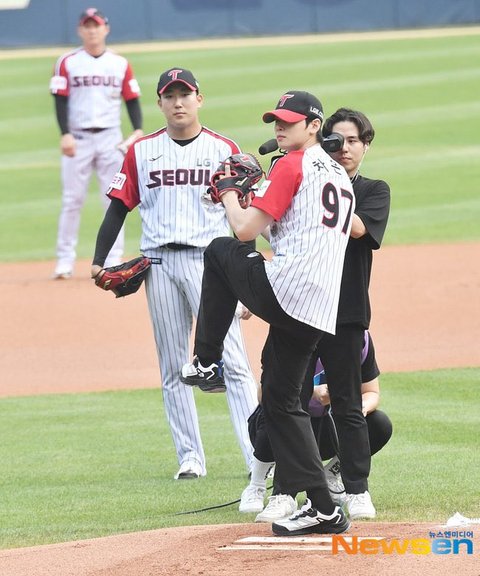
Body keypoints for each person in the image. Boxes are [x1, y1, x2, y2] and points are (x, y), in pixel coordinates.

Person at [181, 90, 354, 536]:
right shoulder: (337, 172)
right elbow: (288, 220)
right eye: (276, 121)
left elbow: (243, 231)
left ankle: (204, 360)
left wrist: (228, 194)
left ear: (313, 126)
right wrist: (244, 192)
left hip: (290, 290)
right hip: (318, 306)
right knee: (280, 400)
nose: (280, 127)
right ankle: (324, 508)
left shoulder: (291, 164)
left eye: (290, 121)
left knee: (220, 251)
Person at [91, 67, 257, 480]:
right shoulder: (141, 151)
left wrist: (248, 277)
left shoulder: (224, 148)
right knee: (172, 365)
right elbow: (118, 207)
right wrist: (98, 260)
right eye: (170, 95)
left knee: (233, 363)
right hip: (159, 265)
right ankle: (190, 458)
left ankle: (258, 455)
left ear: (199, 98)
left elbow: (245, 218)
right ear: (160, 103)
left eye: (185, 94)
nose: (178, 102)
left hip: (212, 264)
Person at [308, 108, 391, 520]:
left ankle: (356, 490)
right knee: (285, 399)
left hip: (347, 309)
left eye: (353, 141)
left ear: (365, 145)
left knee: (347, 402)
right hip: (302, 305)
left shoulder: (374, 190)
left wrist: (324, 187)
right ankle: (285, 488)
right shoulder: (307, 181)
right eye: (335, 140)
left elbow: (360, 230)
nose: (344, 149)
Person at [239, 330, 393, 522]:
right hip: (287, 427)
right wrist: (311, 392)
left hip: (327, 425)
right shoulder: (290, 330)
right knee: (275, 414)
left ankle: (332, 476)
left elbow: (372, 392)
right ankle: (257, 485)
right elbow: (265, 395)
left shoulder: (357, 337)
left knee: (379, 424)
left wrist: (357, 406)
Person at [50, 7, 143, 279]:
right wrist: (64, 133)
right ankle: (64, 261)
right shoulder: (67, 61)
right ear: (80, 30)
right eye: (87, 26)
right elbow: (60, 99)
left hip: (110, 138)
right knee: (71, 200)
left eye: (96, 25)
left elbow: (132, 99)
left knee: (114, 199)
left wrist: (137, 129)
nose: (92, 30)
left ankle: (113, 259)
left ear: (106, 29)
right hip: (77, 138)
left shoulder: (120, 63)